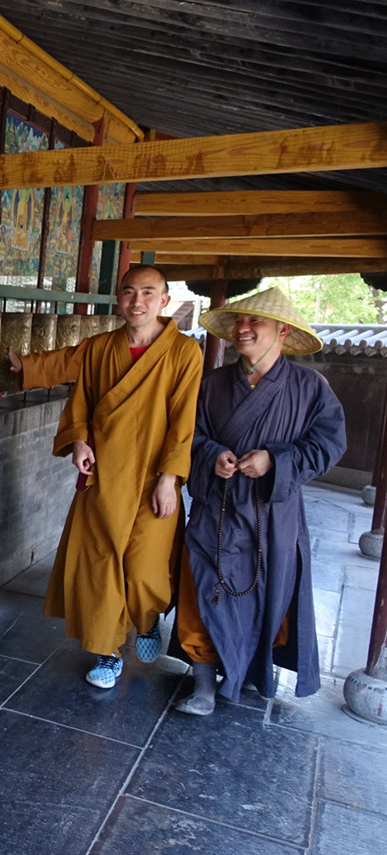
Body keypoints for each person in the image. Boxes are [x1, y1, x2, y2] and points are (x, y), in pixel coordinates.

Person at [173, 287, 345, 715]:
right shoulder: (210, 383)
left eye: (256, 322)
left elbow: (329, 443)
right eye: (238, 321)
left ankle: (249, 671)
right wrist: (212, 456)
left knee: (266, 597)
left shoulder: (310, 388)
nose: (242, 329)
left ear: (283, 331)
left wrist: (276, 460)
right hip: (218, 507)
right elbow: (184, 436)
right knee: (203, 591)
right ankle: (204, 684)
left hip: (272, 515)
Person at [45, 265, 204, 688]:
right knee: (101, 565)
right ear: (119, 298)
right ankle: (107, 651)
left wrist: (171, 478)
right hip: (107, 475)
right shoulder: (100, 348)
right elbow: (81, 403)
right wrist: (79, 441)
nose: (138, 301)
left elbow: (183, 421)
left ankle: (146, 619)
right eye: (129, 292)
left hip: (155, 477)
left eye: (148, 293)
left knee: (145, 568)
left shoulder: (185, 353)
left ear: (164, 300)